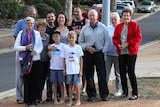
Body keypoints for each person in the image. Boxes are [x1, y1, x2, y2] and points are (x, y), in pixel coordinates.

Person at [78, 9, 110, 101]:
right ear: (88, 17)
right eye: (90, 15)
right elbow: (80, 42)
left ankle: (104, 94)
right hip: (88, 54)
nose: (92, 17)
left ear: (97, 17)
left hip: (100, 53)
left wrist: (103, 51)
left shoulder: (103, 27)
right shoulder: (85, 28)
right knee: (89, 75)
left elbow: (107, 41)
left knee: (102, 75)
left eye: (93, 15)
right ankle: (91, 94)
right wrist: (86, 47)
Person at [113, 8, 142, 100]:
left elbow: (138, 37)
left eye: (127, 15)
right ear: (122, 16)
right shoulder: (119, 26)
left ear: (130, 16)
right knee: (122, 72)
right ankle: (125, 91)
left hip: (131, 52)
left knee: (130, 71)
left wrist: (128, 43)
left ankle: (135, 93)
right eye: (124, 15)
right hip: (121, 52)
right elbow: (115, 38)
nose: (126, 17)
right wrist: (118, 44)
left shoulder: (134, 25)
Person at [14, 16, 43, 106]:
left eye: (31, 23)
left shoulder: (37, 34)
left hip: (35, 59)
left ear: (33, 24)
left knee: (35, 80)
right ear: (25, 24)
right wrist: (25, 48)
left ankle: (33, 99)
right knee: (27, 80)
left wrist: (36, 51)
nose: (30, 25)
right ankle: (27, 101)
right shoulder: (21, 33)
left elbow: (40, 46)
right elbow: (16, 47)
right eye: (28, 23)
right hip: (25, 60)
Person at [13, 5, 37, 104]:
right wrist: (24, 48)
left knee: (29, 76)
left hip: (32, 54)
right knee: (19, 75)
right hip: (21, 53)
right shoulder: (20, 23)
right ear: (27, 13)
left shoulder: (35, 23)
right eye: (31, 14)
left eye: (34, 14)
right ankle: (19, 96)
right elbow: (16, 37)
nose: (32, 15)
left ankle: (29, 96)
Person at [48, 11, 73, 98]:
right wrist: (50, 49)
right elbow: (50, 44)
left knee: (69, 75)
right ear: (56, 19)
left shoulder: (69, 28)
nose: (61, 19)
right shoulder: (54, 30)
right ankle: (59, 95)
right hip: (58, 56)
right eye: (59, 18)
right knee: (59, 76)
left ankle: (70, 94)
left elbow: (74, 40)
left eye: (62, 17)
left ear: (65, 18)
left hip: (69, 55)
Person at [68, 5, 89, 95]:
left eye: (78, 11)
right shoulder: (70, 23)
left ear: (82, 12)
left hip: (83, 47)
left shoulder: (86, 21)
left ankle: (84, 87)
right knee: (73, 68)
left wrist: (81, 33)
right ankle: (73, 88)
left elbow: (89, 35)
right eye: (75, 11)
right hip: (73, 47)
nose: (76, 13)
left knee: (84, 69)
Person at [61, 31, 84, 106]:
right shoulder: (65, 48)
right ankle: (70, 100)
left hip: (76, 70)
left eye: (73, 38)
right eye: (70, 38)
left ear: (76, 38)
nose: (71, 39)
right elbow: (64, 59)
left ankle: (78, 100)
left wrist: (80, 70)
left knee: (76, 85)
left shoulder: (78, 47)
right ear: (68, 38)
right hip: (69, 70)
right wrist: (64, 69)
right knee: (70, 85)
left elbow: (81, 59)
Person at [105, 12, 122, 97]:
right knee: (106, 72)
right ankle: (105, 89)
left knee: (118, 73)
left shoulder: (121, 28)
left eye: (115, 19)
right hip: (108, 53)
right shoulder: (108, 28)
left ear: (119, 19)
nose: (114, 20)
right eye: (112, 19)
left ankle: (119, 89)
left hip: (118, 54)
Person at [49, 30, 66, 104]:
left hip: (61, 67)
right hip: (53, 67)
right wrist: (49, 50)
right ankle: (55, 98)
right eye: (54, 36)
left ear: (60, 37)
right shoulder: (51, 46)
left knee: (61, 83)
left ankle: (62, 98)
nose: (56, 38)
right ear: (52, 38)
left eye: (57, 36)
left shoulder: (64, 46)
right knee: (54, 84)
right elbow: (49, 53)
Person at [37, 21, 50, 103]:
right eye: (40, 27)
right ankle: (38, 97)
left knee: (48, 79)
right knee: (40, 80)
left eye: (44, 27)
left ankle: (49, 96)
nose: (42, 29)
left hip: (47, 61)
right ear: (38, 29)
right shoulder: (36, 37)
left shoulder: (48, 37)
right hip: (39, 61)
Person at [45, 11, 56, 102]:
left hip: (57, 57)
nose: (51, 19)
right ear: (46, 19)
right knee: (48, 77)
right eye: (49, 17)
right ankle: (49, 95)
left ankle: (59, 95)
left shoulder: (57, 29)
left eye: (52, 17)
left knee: (58, 77)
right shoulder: (45, 29)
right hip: (47, 57)